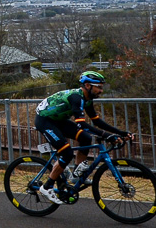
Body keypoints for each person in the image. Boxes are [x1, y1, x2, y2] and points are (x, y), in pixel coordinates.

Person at [34, 71, 132, 205]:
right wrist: (106, 135)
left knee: (85, 138)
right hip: (45, 121)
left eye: (102, 87)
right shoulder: (76, 98)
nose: (101, 90)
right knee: (67, 153)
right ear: (87, 85)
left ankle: (75, 175)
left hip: (59, 120)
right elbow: (82, 124)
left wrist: (120, 132)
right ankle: (46, 187)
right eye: (99, 87)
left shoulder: (87, 99)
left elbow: (96, 121)